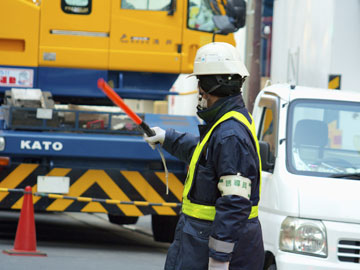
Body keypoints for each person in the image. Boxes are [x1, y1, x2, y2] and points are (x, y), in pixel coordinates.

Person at [144, 42, 264, 270]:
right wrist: (167, 138)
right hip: (201, 242)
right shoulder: (228, 123)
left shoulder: (229, 134)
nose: (199, 90)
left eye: (200, 81)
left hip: (208, 247)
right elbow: (206, 157)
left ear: (209, 85)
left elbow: (235, 202)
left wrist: (219, 258)